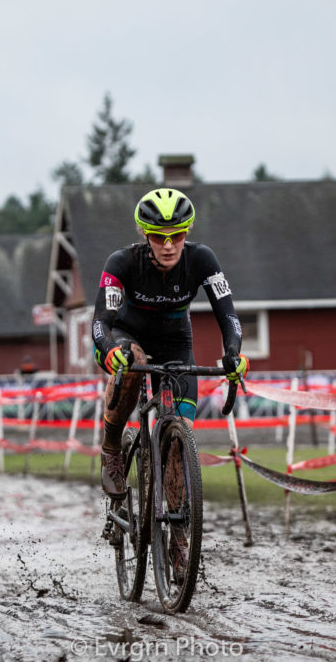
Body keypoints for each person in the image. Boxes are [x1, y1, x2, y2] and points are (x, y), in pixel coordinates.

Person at [93, 188, 248, 504]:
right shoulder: (121, 262)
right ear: (145, 235)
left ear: (186, 232)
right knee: (130, 358)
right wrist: (108, 348)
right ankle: (111, 448)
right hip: (126, 336)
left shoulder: (201, 259)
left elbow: (228, 314)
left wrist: (233, 351)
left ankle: (178, 538)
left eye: (176, 236)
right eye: (158, 236)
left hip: (175, 343)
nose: (168, 245)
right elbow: (100, 322)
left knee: (177, 444)